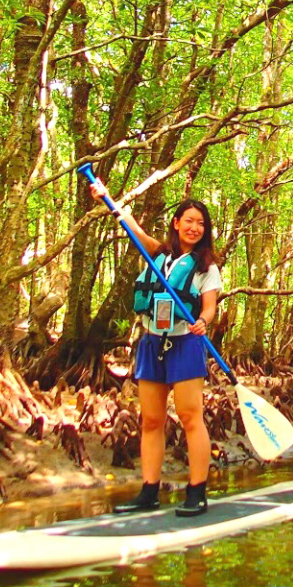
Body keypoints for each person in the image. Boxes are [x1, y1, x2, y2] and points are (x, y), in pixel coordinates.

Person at [91, 182, 223, 516]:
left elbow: (209, 307)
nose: (194, 227)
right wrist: (107, 196)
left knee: (191, 417)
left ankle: (197, 491)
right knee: (151, 420)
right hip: (152, 343)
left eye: (201, 223)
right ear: (177, 223)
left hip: (186, 343)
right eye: (189, 220)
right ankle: (149, 491)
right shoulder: (159, 253)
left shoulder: (207, 267)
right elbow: (129, 224)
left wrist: (203, 321)